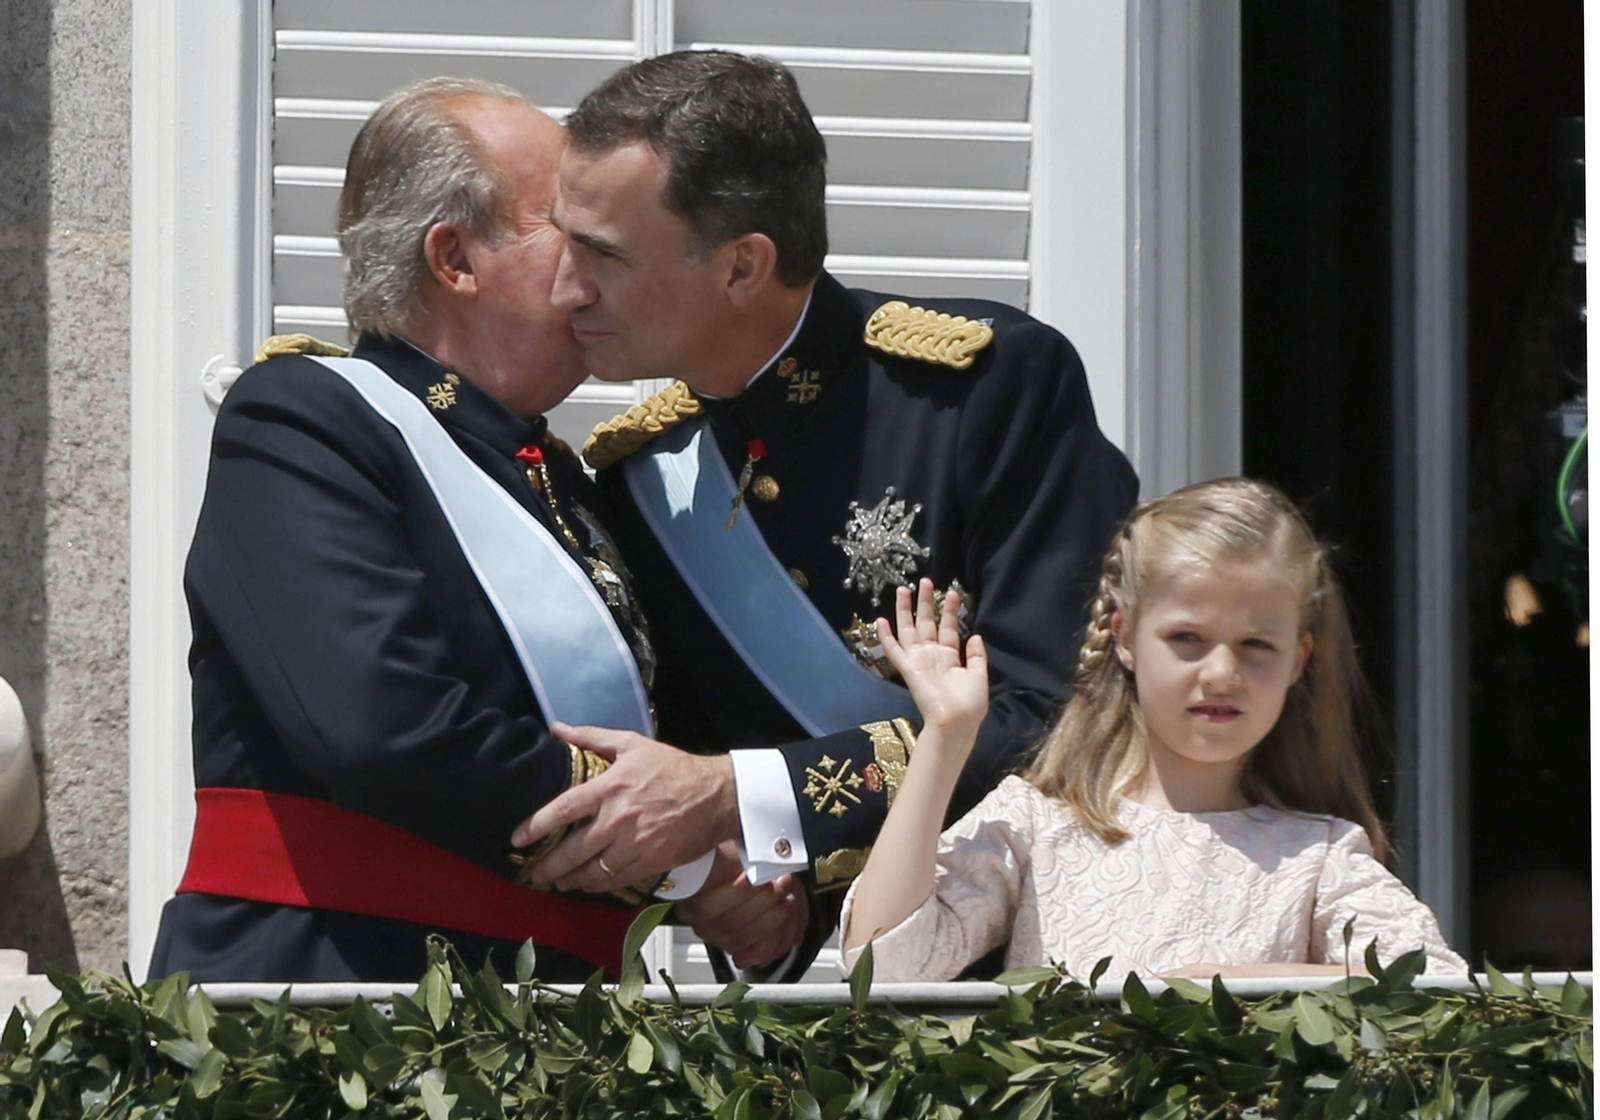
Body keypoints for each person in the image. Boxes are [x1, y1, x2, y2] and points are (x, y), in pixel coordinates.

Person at [147, 76, 802, 983]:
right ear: (454, 259)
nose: (601, 265)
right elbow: (384, 728)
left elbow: (669, 736)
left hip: (567, 1018)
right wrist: (679, 852)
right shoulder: (305, 421)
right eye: (568, 233)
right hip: (340, 1006)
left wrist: (733, 843)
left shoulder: (564, 481)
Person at [511, 50, 1139, 975]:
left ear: (742, 266)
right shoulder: (643, 474)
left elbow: (1056, 715)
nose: (567, 287)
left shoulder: (986, 390)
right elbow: (678, 773)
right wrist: (734, 888)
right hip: (803, 1015)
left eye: (602, 252)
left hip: (1016, 978)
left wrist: (737, 796)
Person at [839, 479, 1468, 981]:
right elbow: (883, 966)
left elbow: (1432, 987)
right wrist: (946, 736)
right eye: (1187, 639)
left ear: (1299, 660)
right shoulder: (1036, 825)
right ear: (1126, 638)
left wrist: (1236, 985)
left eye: (1256, 645)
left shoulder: (1318, 855)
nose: (1221, 673)